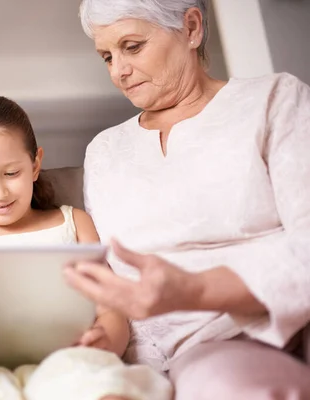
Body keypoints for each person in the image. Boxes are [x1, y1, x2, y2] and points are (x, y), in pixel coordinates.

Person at [63, 0, 310, 399]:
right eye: (107, 56)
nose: (118, 71)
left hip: (239, 338)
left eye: (132, 46)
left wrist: (192, 289)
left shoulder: (273, 101)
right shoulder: (104, 150)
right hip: (136, 360)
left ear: (191, 28)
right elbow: (109, 273)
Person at [0, 96, 172, 400]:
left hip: (70, 365)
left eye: (11, 173)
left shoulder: (74, 223)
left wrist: (106, 340)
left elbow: (110, 308)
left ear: (35, 164)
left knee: (103, 388)